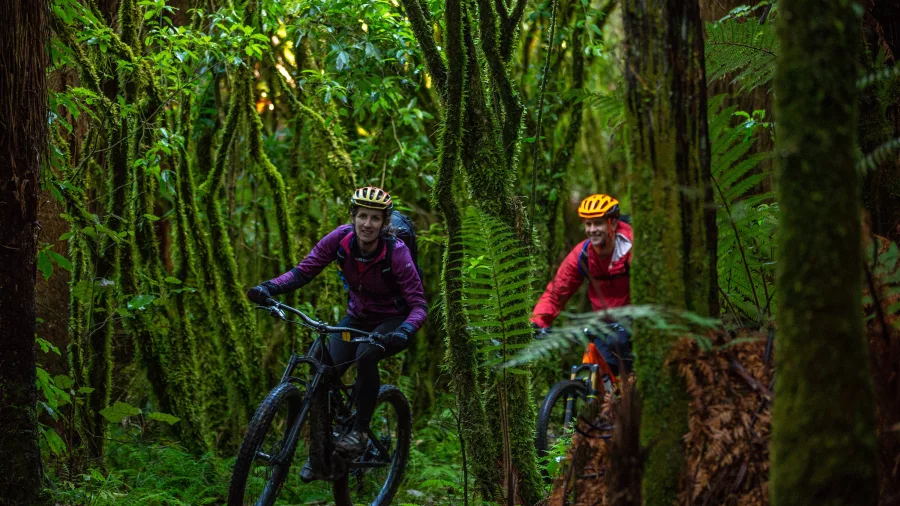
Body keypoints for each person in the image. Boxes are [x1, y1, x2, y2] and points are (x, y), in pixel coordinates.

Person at [247, 186, 427, 479]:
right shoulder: (340, 240)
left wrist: (405, 331)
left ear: (384, 224)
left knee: (366, 355)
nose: (367, 224)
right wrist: (268, 287)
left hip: (393, 322)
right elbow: (302, 272)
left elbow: (419, 304)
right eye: (362, 216)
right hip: (357, 319)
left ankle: (359, 433)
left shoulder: (397, 252)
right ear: (353, 217)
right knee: (321, 364)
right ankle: (319, 452)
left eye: (375, 219)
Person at [531, 194, 633, 374]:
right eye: (588, 224)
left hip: (636, 326)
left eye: (598, 223)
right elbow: (556, 294)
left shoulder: (631, 248)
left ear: (613, 224)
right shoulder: (583, 254)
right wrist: (537, 322)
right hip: (603, 327)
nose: (592, 229)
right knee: (596, 378)